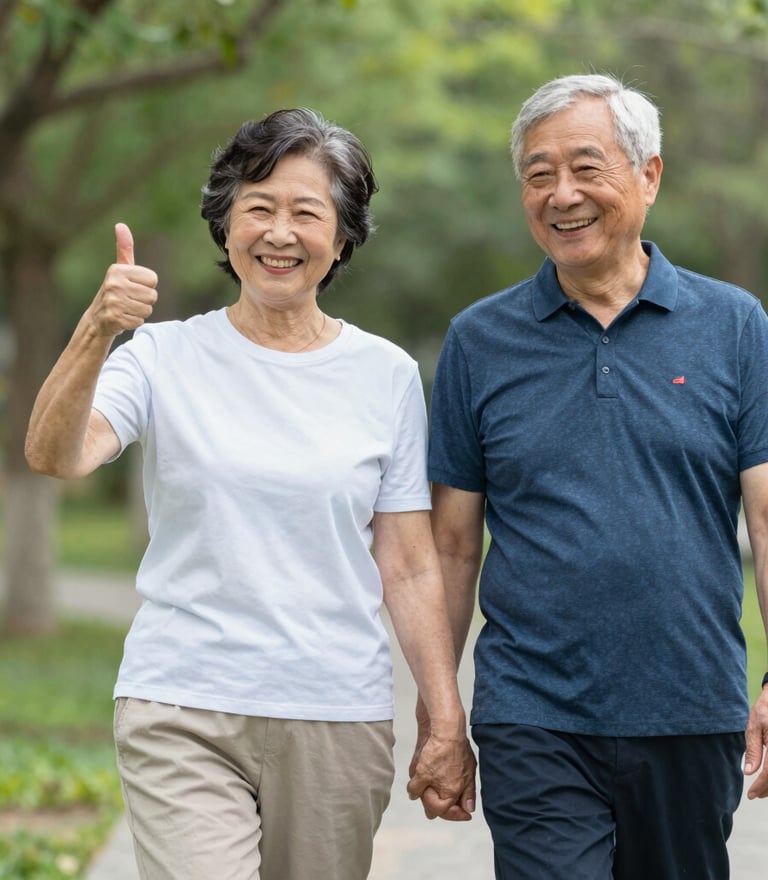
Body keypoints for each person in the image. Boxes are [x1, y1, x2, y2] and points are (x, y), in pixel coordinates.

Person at [25, 108, 475, 880]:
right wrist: (97, 329)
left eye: (307, 213)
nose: (279, 233)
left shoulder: (387, 376)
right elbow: (55, 454)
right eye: (259, 207)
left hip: (335, 711)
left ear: (343, 238)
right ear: (226, 224)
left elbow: (407, 562)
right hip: (182, 701)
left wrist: (444, 717)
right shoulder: (161, 354)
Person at [426, 74, 768, 879]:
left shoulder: (735, 326)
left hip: (691, 705)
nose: (562, 195)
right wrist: (442, 711)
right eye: (538, 175)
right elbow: (451, 546)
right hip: (532, 710)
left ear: (649, 176)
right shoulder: (478, 341)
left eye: (586, 167)